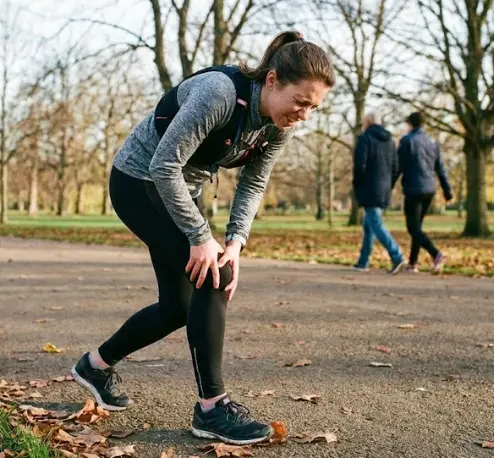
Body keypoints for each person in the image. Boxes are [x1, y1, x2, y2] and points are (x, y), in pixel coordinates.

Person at [69, 31, 335, 446]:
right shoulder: (219, 93)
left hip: (179, 190)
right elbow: (164, 164)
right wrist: (200, 236)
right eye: (301, 102)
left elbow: (253, 183)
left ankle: (95, 366)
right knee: (214, 276)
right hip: (139, 181)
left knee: (178, 306)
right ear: (271, 81)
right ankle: (212, 408)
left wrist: (235, 241)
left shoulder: (277, 127)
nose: (304, 114)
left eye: (313, 108)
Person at [395, 112, 453, 273]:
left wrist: (388, 187)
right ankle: (413, 263)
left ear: (410, 124)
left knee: (413, 228)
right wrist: (447, 190)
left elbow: (398, 167)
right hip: (429, 189)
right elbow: (440, 168)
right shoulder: (432, 142)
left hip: (414, 189)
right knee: (417, 227)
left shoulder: (407, 141)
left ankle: (436, 253)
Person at [352, 112, 405, 274]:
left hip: (369, 187)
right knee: (369, 225)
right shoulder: (390, 141)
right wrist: (389, 184)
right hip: (384, 188)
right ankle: (363, 262)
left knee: (375, 223)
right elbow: (396, 167)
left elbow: (360, 164)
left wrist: (357, 184)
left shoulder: (364, 138)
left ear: (367, 122)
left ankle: (397, 256)